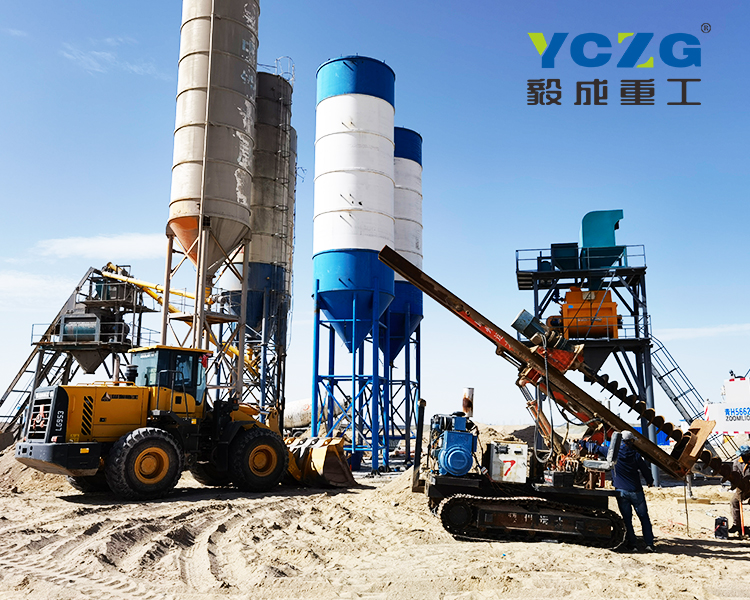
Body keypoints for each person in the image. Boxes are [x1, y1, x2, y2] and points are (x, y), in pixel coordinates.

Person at [612, 430, 655, 552]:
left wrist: (584, 443)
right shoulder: (636, 455)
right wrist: (650, 481)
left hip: (621, 492)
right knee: (644, 518)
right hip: (636, 491)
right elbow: (645, 470)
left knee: (627, 519)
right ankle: (649, 544)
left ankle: (633, 545)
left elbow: (597, 448)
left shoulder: (613, 454)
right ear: (630, 441)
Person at [728, 444, 750, 536]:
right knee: (734, 502)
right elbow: (735, 476)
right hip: (741, 487)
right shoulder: (736, 462)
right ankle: (737, 525)